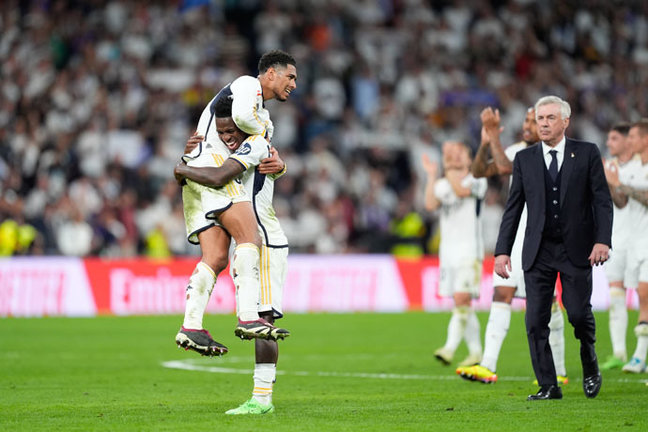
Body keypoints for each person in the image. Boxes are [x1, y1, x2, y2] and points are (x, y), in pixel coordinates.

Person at [175, 50, 297, 356]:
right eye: (290, 76)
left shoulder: (255, 114)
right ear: (271, 73)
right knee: (250, 238)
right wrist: (264, 142)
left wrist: (276, 162)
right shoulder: (246, 86)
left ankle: (191, 326)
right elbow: (243, 120)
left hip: (196, 174)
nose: (294, 84)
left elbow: (262, 163)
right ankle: (247, 316)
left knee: (215, 258)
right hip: (212, 169)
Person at [175, 96, 289, 415]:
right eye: (221, 132)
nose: (227, 137)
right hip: (246, 231)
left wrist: (183, 166)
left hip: (266, 237)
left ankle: (262, 398)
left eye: (232, 131)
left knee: (263, 317)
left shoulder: (255, 142)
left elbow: (222, 176)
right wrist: (190, 158)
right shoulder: (225, 148)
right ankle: (192, 325)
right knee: (216, 259)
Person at [494, 95, 612, 401]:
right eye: (539, 119)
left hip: (577, 250)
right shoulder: (524, 159)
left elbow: (601, 200)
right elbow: (513, 207)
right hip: (538, 251)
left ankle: (589, 357)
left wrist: (603, 240)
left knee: (576, 314)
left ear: (565, 122)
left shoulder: (587, 153)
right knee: (534, 321)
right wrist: (502, 250)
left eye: (548, 118)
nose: (542, 124)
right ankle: (548, 385)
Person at [456, 107, 568, 384]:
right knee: (501, 292)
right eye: (528, 120)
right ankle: (488, 365)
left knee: (548, 303)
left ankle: (560, 370)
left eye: (534, 121)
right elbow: (481, 170)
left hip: (544, 236)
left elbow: (507, 167)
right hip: (517, 235)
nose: (528, 126)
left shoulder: (553, 152)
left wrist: (494, 134)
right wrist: (485, 142)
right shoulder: (520, 148)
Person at [423, 141, 487, 368]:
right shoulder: (442, 183)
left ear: (470, 160)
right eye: (452, 154)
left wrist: (448, 170)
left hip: (470, 251)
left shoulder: (478, 180)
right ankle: (477, 352)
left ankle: (449, 348)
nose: (455, 158)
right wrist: (432, 176)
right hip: (448, 252)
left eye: (461, 154)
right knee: (462, 302)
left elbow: (461, 191)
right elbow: (430, 204)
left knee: (461, 298)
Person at [603, 119, 648, 374]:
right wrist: (611, 182)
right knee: (640, 296)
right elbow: (620, 202)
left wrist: (620, 185)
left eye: (632, 137)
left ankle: (639, 357)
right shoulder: (631, 170)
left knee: (644, 295)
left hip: (644, 242)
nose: (630, 141)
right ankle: (633, 356)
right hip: (633, 243)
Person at [600, 122, 635, 370]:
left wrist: (612, 182)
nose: (609, 143)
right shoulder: (606, 166)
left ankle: (640, 353)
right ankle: (619, 352)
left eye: (614, 139)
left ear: (627, 141)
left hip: (639, 239)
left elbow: (622, 201)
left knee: (643, 297)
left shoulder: (639, 167)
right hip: (615, 239)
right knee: (616, 296)